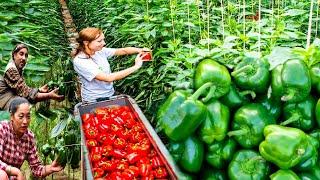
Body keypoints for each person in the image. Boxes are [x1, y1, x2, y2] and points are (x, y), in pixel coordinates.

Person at [72, 27, 150, 102]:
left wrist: (140, 50)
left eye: (103, 40)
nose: (104, 43)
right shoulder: (80, 61)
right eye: (99, 41)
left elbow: (123, 51)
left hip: (109, 93)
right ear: (86, 42)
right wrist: (136, 66)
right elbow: (108, 78)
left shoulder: (99, 51)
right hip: (95, 99)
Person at [0, 97, 64, 180]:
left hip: (11, 177)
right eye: (21, 116)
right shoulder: (2, 129)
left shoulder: (29, 137)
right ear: (12, 116)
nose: (25, 121)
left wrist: (50, 168)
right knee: (2, 175)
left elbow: (36, 169)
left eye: (28, 116)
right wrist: (16, 171)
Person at [0, 43, 65, 110]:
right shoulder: (11, 70)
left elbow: (24, 89)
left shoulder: (17, 68)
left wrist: (39, 90)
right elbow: (26, 93)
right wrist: (49, 95)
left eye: (26, 55)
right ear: (14, 55)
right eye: (21, 54)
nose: (24, 58)